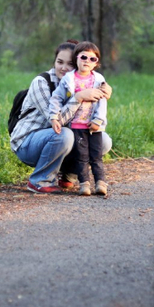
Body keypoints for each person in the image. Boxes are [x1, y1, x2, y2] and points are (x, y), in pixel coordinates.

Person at [10, 40, 112, 194]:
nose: (64, 68)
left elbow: (86, 117)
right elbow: (57, 122)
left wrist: (104, 89)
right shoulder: (41, 82)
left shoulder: (82, 81)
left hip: (58, 139)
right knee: (65, 134)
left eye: (69, 64)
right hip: (28, 143)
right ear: (54, 62)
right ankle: (39, 180)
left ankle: (68, 174)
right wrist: (78, 98)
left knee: (102, 140)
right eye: (59, 62)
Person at [49, 41, 108, 196]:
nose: (87, 61)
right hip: (76, 125)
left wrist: (98, 120)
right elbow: (56, 98)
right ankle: (84, 184)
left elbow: (102, 101)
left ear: (96, 63)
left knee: (96, 156)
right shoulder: (69, 79)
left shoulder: (98, 79)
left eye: (92, 59)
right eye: (83, 57)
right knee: (81, 157)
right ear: (77, 59)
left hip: (94, 125)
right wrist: (54, 117)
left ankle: (101, 183)